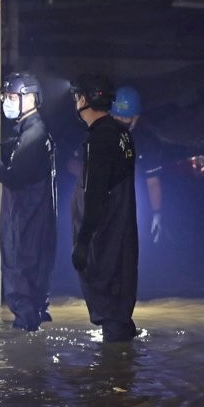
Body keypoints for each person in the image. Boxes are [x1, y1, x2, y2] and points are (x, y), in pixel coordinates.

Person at [0, 72, 57, 331]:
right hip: (34, 219)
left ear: (30, 98)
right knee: (31, 276)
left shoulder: (33, 136)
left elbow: (13, 179)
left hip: (25, 220)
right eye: (5, 97)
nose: (6, 102)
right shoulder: (34, 131)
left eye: (12, 97)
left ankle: (26, 342)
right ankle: (32, 334)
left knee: (19, 273)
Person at [69, 73, 139, 343]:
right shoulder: (122, 134)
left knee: (110, 313)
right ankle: (123, 367)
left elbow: (96, 192)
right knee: (119, 313)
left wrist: (84, 240)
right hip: (122, 236)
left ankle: (114, 373)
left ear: (85, 100)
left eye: (77, 96)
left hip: (105, 238)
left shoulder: (99, 139)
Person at [111, 85, 165, 246]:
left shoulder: (146, 143)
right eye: (116, 118)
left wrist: (156, 214)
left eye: (125, 119)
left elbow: (153, 181)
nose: (120, 123)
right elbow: (73, 164)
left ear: (135, 118)